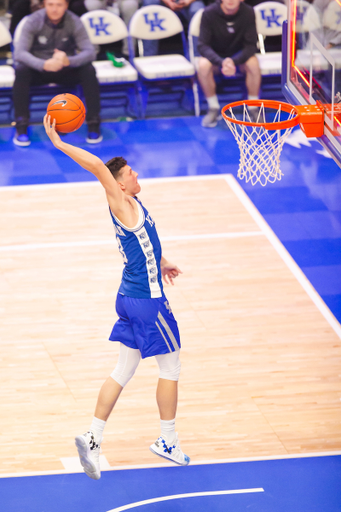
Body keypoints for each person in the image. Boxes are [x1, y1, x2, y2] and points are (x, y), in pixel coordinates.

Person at [43, 114, 190, 480]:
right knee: (170, 367)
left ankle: (93, 436)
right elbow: (96, 165)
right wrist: (59, 143)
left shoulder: (134, 206)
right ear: (119, 185)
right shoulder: (120, 203)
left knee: (123, 369)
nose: (136, 175)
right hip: (146, 301)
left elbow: (146, 244)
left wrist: (163, 262)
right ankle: (167, 440)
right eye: (130, 174)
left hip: (128, 295)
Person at [13, 0, 102, 147]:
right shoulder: (33, 20)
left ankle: (93, 123)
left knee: (89, 69)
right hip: (40, 70)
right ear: (44, 5)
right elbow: (20, 53)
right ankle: (21, 126)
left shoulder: (74, 21)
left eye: (59, 5)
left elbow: (90, 52)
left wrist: (69, 61)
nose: (54, 9)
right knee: (21, 70)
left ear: (66, 5)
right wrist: (43, 64)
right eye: (50, 4)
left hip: (65, 69)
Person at [197, 0, 261, 128]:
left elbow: (251, 45)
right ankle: (213, 108)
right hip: (216, 57)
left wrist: (233, 61)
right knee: (202, 65)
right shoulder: (208, 13)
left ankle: (253, 107)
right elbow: (202, 45)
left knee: (254, 63)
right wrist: (222, 62)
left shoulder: (248, 12)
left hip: (239, 56)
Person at [141, 0, 205, 56]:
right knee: (150, 3)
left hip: (190, 2)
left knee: (197, 12)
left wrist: (188, 1)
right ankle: (149, 57)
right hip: (161, 2)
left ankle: (195, 59)